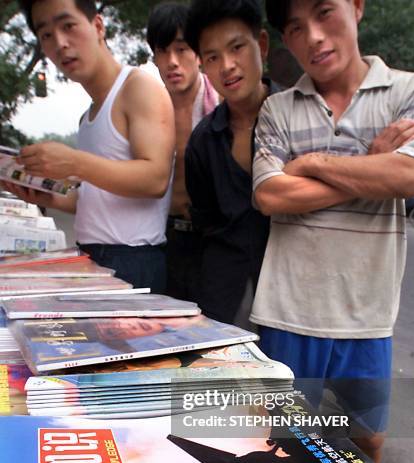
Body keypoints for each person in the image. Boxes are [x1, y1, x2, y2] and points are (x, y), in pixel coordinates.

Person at [251, 0, 414, 461]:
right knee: (281, 442)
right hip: (288, 312)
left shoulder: (410, 91)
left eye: (325, 12)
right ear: (286, 39)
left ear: (357, 7)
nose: (315, 36)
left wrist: (310, 165)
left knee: (367, 442)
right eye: (296, 27)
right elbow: (270, 196)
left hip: (367, 315)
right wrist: (371, 163)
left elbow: (409, 176)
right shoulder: (277, 110)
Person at [7, 0, 175, 291]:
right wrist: (45, 197)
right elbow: (96, 201)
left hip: (133, 261)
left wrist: (74, 163)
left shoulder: (139, 87)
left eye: (68, 26)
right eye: (46, 35)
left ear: (98, 26)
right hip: (91, 255)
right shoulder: (88, 115)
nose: (59, 43)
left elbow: (156, 178)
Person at [183, 0, 276, 328]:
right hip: (222, 299)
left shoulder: (302, 118)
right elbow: (204, 227)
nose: (227, 66)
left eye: (237, 47)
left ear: (261, 45)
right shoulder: (202, 142)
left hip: (292, 298)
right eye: (212, 57)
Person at [146, 2, 219, 302]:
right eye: (163, 52)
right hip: (163, 237)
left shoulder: (223, 105)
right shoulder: (146, 109)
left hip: (213, 241)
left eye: (181, 49)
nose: (172, 61)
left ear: (199, 52)